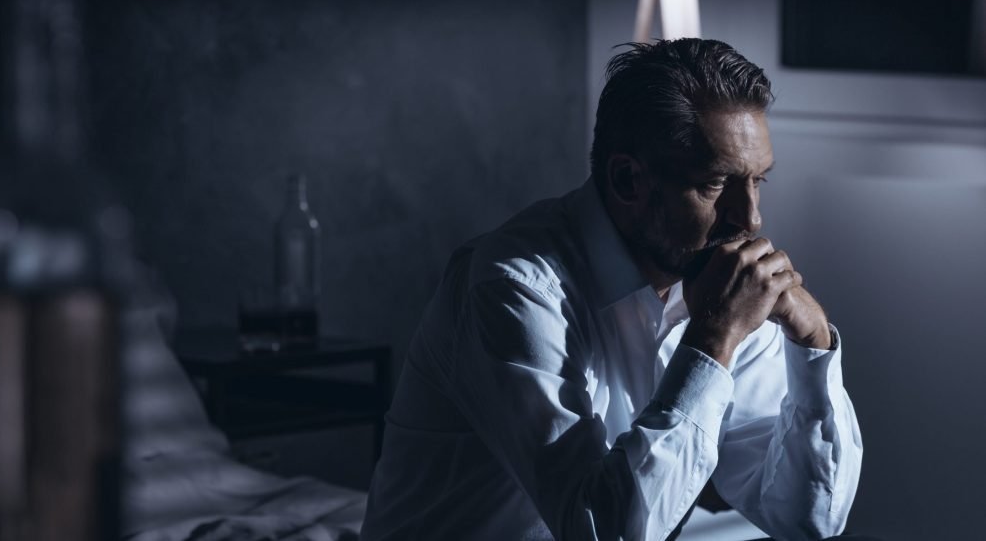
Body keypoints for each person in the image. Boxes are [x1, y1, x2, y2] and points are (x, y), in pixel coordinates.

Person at [360, 39, 865, 541]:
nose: (750, 218)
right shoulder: (513, 288)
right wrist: (713, 340)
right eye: (715, 185)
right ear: (627, 180)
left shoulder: (718, 281)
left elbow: (809, 519)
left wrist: (814, 345)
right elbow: (599, 531)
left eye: (758, 182)